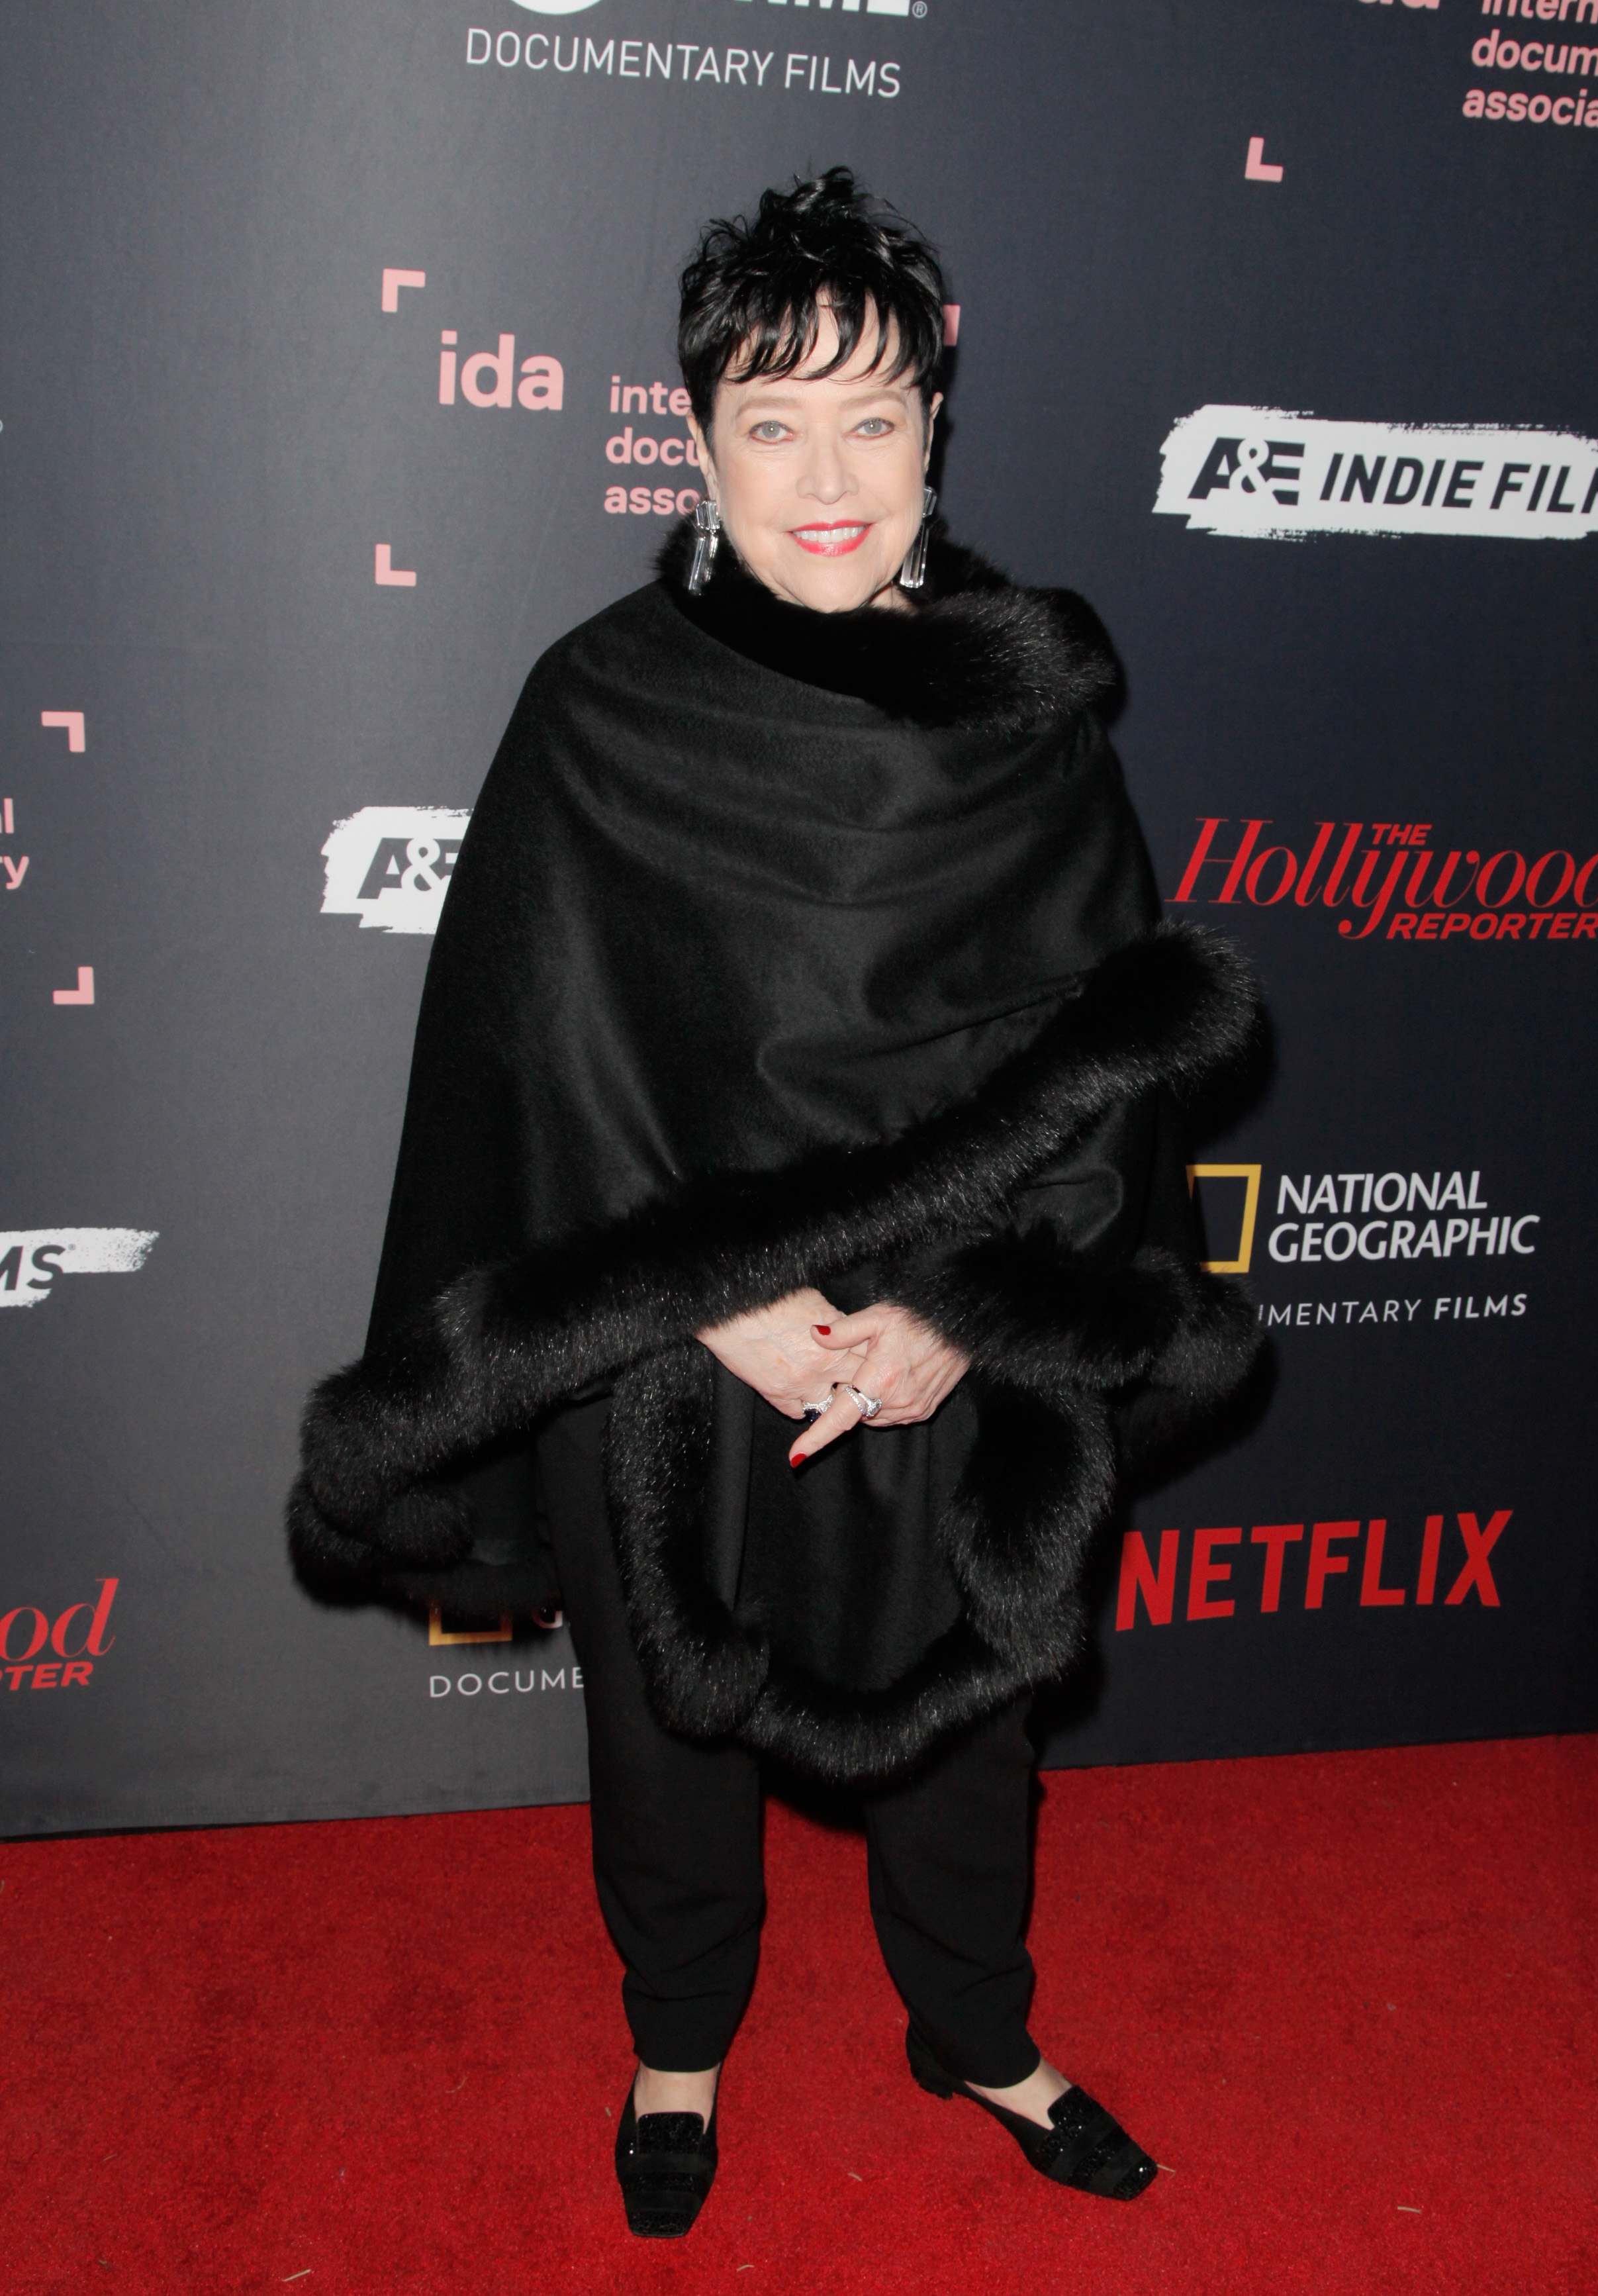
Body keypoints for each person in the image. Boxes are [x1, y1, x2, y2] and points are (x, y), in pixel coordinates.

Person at [289, 169, 1259, 2239]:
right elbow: (533, 1062)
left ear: (937, 423)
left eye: (875, 416)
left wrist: (960, 1319)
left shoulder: (1031, 722)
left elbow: (1103, 1059)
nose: (831, 476)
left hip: (946, 1322)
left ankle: (978, 2028)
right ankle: (679, 2033)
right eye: (774, 421)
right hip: (677, 1348)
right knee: (663, 1728)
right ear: (698, 442)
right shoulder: (599, 709)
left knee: (975, 1716)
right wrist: (706, 1299)